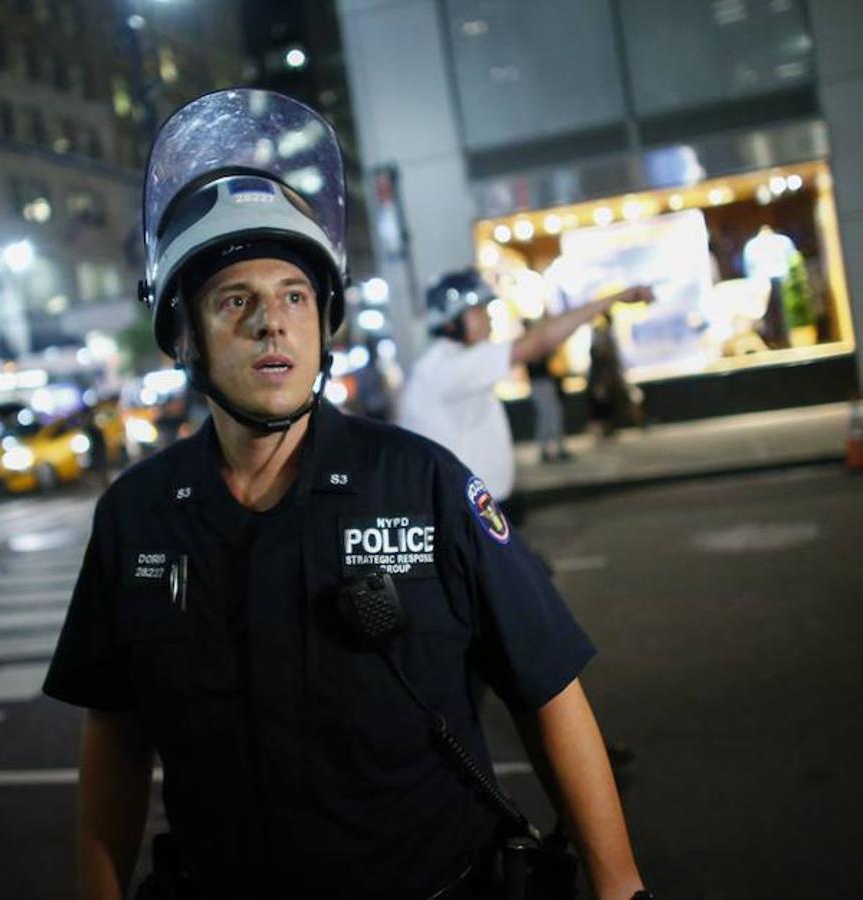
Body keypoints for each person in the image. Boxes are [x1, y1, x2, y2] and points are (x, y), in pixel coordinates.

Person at [44, 89, 651, 900]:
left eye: (295, 296)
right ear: (183, 336)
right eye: (235, 301)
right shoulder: (136, 516)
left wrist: (620, 886)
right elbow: (116, 736)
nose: (273, 323)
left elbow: (546, 689)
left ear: (323, 321)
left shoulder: (423, 483)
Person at [400, 270, 650, 507]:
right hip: (464, 511)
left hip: (472, 506)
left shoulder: (445, 361)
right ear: (450, 322)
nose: (488, 316)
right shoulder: (449, 366)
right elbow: (539, 341)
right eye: (478, 310)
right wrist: (613, 299)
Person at [526, 339, 570, 463]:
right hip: (540, 384)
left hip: (545, 383)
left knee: (553, 416)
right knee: (547, 417)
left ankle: (554, 448)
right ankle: (547, 449)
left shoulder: (533, 348)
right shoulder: (531, 349)